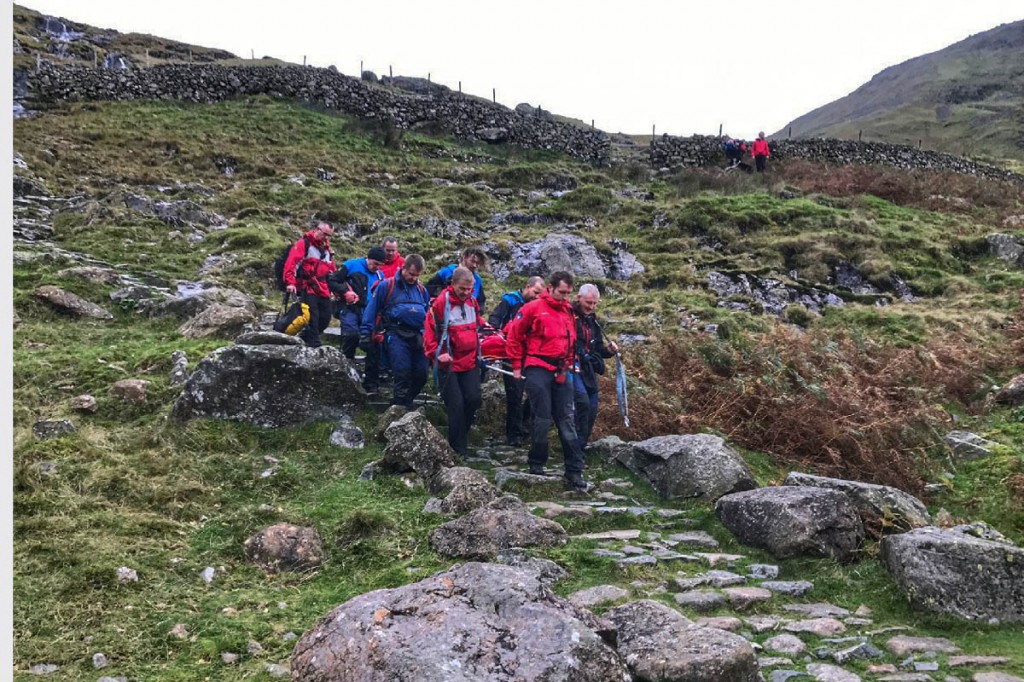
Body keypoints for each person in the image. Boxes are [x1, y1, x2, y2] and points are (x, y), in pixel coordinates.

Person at [505, 271, 588, 491]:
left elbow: (570, 340)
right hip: (537, 366)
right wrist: (515, 365)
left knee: (566, 419)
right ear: (550, 288)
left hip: (560, 369)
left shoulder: (568, 311)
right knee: (542, 417)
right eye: (562, 292)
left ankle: (574, 469)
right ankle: (536, 463)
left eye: (569, 293)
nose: (566, 297)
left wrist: (570, 363)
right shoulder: (532, 309)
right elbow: (514, 336)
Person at [424, 267, 483, 458]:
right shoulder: (441, 304)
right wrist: (436, 354)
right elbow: (429, 333)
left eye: (469, 289)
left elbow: (476, 325)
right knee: (455, 405)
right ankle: (458, 449)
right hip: (448, 364)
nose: (466, 293)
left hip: (470, 361)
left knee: (473, 399)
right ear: (453, 285)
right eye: (462, 289)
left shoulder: (473, 302)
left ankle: (460, 438)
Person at [361, 255, 431, 410]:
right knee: (402, 371)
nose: (414, 278)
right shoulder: (387, 286)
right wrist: (366, 333)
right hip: (395, 334)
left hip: (418, 336)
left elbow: (428, 315)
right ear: (403, 268)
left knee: (422, 373)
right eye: (411, 274)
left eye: (417, 275)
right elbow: (371, 310)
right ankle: (399, 407)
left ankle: (406, 400)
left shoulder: (422, 290)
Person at [488, 276, 545, 447]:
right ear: (527, 287)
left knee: (536, 391)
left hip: (531, 354)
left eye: (539, 295)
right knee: (515, 394)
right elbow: (495, 318)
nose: (536, 297)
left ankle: (522, 424)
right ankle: (513, 434)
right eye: (535, 292)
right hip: (510, 352)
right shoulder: (510, 300)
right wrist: (497, 334)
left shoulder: (537, 306)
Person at [329, 246, 385, 391]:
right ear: (368, 258)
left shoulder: (380, 276)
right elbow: (333, 281)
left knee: (373, 343)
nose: (376, 267)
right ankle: (345, 373)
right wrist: (345, 292)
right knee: (351, 335)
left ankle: (371, 383)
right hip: (350, 308)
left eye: (380, 265)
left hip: (369, 312)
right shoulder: (351, 265)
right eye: (374, 263)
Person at [572, 283, 618, 451]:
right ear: (579, 298)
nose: (591, 307)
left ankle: (580, 449)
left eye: (594, 303)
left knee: (591, 410)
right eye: (588, 303)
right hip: (572, 368)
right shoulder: (568, 316)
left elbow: (598, 349)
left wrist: (609, 350)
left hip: (589, 371)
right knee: (582, 404)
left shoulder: (593, 321)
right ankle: (574, 452)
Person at [282, 221, 336, 348]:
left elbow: (331, 269)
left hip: (323, 288)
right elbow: (291, 263)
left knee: (326, 317)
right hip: (308, 287)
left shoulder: (327, 250)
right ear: (317, 230)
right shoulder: (304, 244)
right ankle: (314, 344)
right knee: (313, 317)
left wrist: (336, 287)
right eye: (325, 234)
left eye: (329, 236)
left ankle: (306, 337)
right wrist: (290, 283)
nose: (327, 238)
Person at [427, 246, 487, 312]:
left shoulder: (477, 280)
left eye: (477, 263)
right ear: (464, 257)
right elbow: (429, 291)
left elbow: (481, 302)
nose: (474, 265)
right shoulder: (447, 272)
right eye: (472, 261)